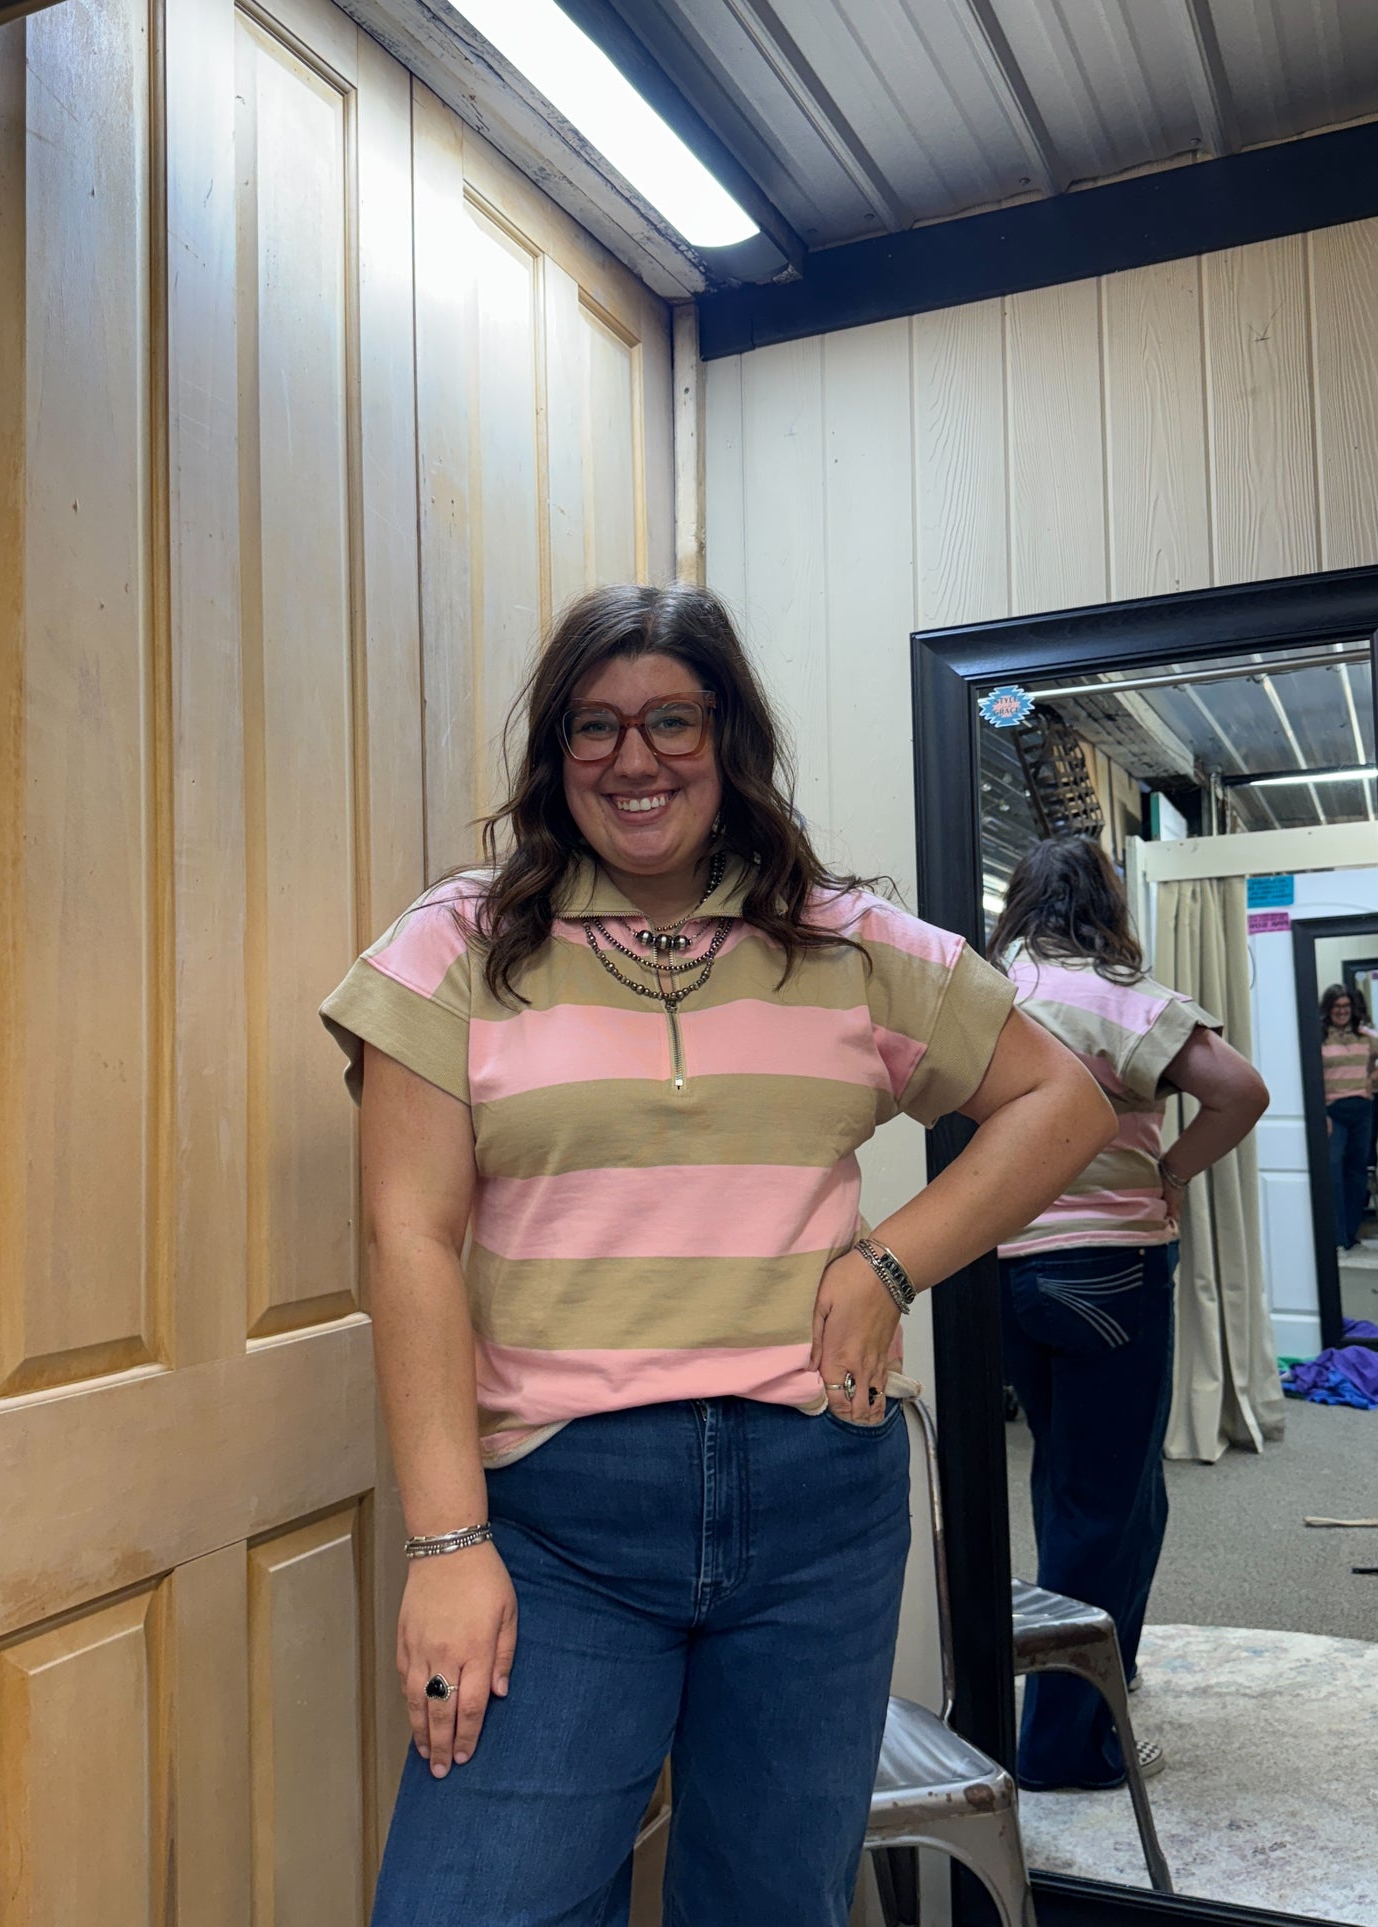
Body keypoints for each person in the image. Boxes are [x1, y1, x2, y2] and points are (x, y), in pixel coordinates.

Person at [321, 583, 1115, 1926]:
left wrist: (887, 1264)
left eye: (671, 718)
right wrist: (446, 1539)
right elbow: (410, 1233)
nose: (634, 758)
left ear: (726, 733)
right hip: (560, 1514)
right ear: (556, 751)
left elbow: (1066, 1101)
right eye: (595, 725)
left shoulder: (846, 944)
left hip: (816, 1501)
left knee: (766, 1903)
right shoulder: (455, 945)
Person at [989, 837, 1268, 1794]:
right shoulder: (1117, 994)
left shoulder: (985, 993)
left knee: (1071, 1490)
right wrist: (1172, 1169)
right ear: (1103, 902)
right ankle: (1066, 1745)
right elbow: (1240, 1091)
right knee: (1110, 1503)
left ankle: (1104, 1668)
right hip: (1109, 1268)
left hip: (1005, 1270)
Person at [1321, 984, 1378, 1250]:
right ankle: (1337, 1235)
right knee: (1334, 1171)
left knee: (1357, 1173)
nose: (1342, 1011)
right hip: (1332, 1111)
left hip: (1361, 1109)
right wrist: (1320, 1114)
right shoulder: (1320, 1036)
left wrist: (1373, 1078)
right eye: (1337, 1007)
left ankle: (1351, 1233)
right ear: (1329, 1009)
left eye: (1346, 1007)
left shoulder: (1366, 1035)